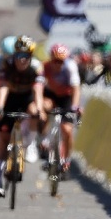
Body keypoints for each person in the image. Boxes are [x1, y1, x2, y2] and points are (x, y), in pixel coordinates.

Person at [0, 35, 45, 197]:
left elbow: (38, 90)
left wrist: (40, 109)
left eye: (26, 56)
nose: (22, 60)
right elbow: (4, 88)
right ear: (14, 55)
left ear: (31, 56)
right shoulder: (7, 65)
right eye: (19, 56)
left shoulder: (36, 67)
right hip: (10, 99)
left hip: (27, 97)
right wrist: (0, 107)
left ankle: (29, 145)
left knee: (35, 111)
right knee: (3, 141)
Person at [41, 43, 82, 172]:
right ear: (50, 59)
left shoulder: (70, 67)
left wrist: (75, 107)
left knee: (67, 130)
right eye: (55, 61)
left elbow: (76, 89)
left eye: (61, 62)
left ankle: (67, 159)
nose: (57, 64)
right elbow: (39, 87)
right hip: (51, 94)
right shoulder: (45, 66)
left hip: (66, 96)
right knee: (45, 106)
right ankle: (45, 138)